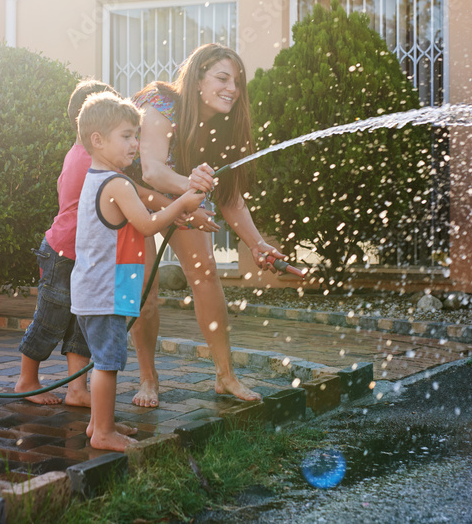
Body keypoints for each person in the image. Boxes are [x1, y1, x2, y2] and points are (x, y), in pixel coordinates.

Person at [129, 43, 285, 407]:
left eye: (237, 81)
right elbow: (152, 169)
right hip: (131, 197)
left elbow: (229, 196)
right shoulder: (162, 103)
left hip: (178, 199)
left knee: (206, 275)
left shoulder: (225, 127)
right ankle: (148, 379)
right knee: (143, 295)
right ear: (198, 77)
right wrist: (190, 192)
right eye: (222, 78)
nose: (232, 87)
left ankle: (225, 376)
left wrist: (256, 243)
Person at [71, 92, 205, 451]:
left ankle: (99, 425)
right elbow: (147, 226)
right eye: (127, 136)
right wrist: (183, 202)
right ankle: (103, 433)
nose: (135, 144)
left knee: (105, 360)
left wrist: (171, 212)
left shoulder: (97, 178)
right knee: (107, 364)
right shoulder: (117, 184)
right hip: (105, 293)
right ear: (98, 141)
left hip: (95, 290)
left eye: (137, 136)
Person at [14, 79, 115, 406]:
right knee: (51, 319)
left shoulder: (84, 155)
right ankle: (26, 380)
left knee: (80, 323)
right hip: (63, 252)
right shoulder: (88, 160)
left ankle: (77, 389)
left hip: (83, 254)